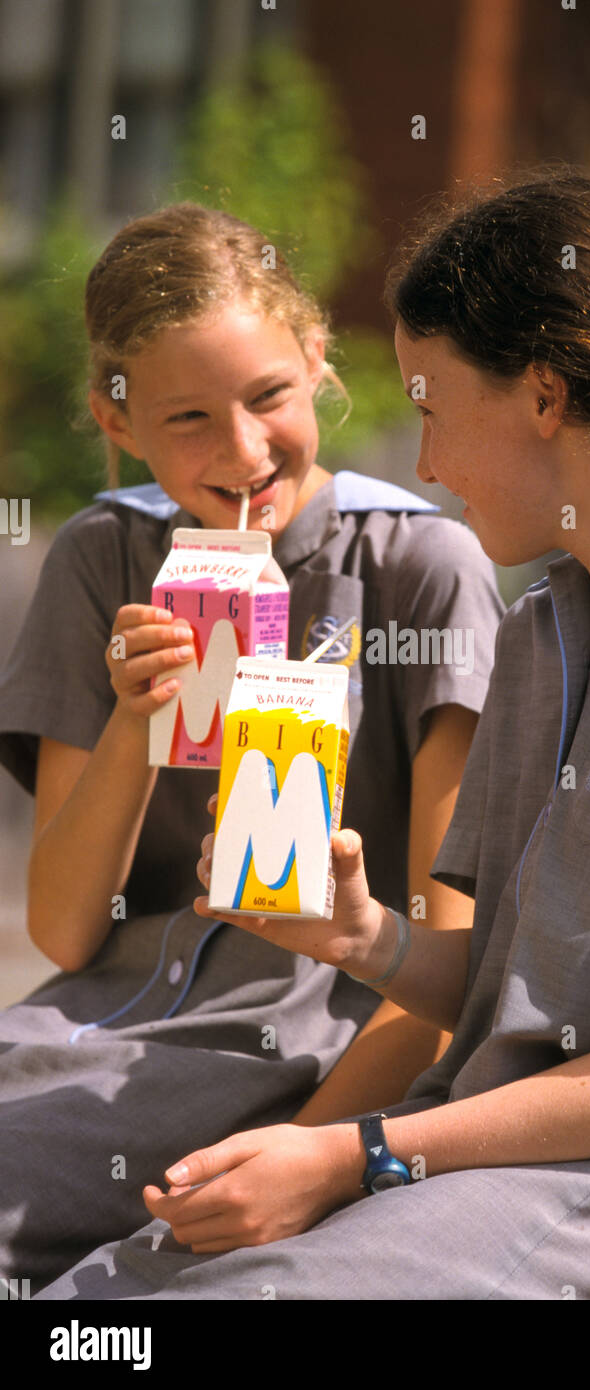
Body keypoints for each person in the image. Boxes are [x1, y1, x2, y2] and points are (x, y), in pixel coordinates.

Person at [35, 170, 590, 1302]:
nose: (424, 462)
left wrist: (344, 1152)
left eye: (431, 405)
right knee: (98, 1305)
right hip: (461, 1140)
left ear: (545, 398)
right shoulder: (544, 635)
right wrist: (365, 937)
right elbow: (508, 989)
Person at [0, 203, 505, 1294]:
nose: (241, 453)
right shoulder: (104, 556)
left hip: (301, 1059)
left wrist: (314, 1160)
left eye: (270, 396)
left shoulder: (424, 568)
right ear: (117, 419)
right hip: (80, 1039)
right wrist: (136, 717)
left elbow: (445, 970)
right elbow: (66, 928)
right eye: (185, 417)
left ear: (318, 363)